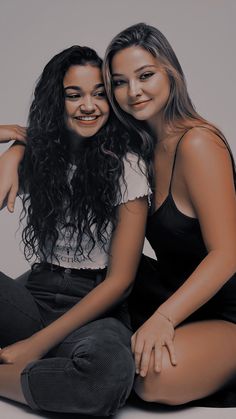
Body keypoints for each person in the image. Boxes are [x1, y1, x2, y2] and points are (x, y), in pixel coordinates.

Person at [0, 45, 152, 415]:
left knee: (107, 376)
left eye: (100, 93)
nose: (89, 105)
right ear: (57, 100)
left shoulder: (127, 166)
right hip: (35, 295)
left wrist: (35, 345)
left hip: (97, 305)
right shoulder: (39, 157)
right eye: (74, 95)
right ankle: (44, 372)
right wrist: (12, 148)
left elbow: (121, 283)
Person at [103, 23, 236, 406]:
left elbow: (227, 255)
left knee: (151, 377)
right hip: (172, 292)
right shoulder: (138, 145)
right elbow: (71, 134)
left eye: (145, 76)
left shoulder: (198, 143)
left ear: (171, 74)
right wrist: (15, 150)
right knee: (74, 287)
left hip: (227, 311)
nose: (134, 92)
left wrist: (164, 318)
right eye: (120, 82)